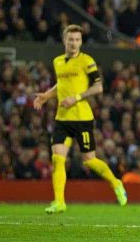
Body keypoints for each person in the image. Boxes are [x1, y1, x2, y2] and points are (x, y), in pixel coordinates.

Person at [34, 24, 127, 214]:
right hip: (62, 118)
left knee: (89, 161)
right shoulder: (58, 61)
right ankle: (59, 201)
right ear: (64, 41)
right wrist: (46, 96)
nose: (74, 43)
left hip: (82, 118)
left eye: (77, 40)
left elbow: (98, 87)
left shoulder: (86, 61)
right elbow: (61, 84)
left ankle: (116, 183)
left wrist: (76, 98)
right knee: (58, 159)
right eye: (71, 39)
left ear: (81, 42)